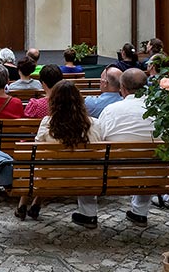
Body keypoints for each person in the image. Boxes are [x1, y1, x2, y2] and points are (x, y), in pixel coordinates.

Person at [73, 68, 155, 229]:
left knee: (87, 159)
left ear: (122, 88)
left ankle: (88, 213)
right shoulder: (158, 110)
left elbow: (99, 137)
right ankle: (140, 212)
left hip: (113, 171)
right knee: (149, 159)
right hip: (153, 171)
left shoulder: (112, 110)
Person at [14, 80, 103, 220]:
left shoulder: (47, 123)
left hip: (52, 178)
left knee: (42, 166)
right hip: (86, 178)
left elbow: (37, 154)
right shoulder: (94, 124)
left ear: (54, 102)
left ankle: (23, 204)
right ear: (80, 101)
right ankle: (36, 203)